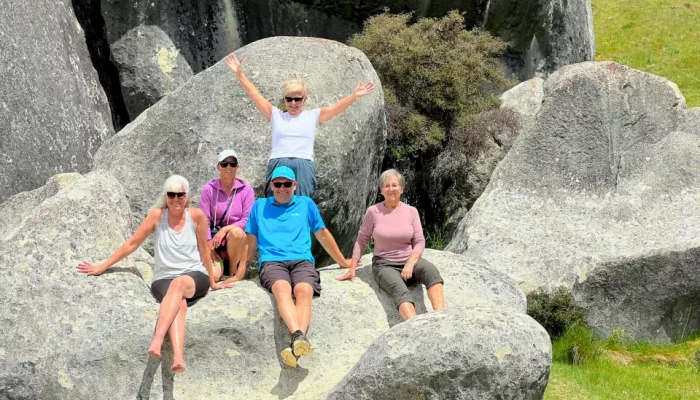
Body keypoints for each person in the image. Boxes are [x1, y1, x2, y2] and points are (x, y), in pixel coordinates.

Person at [77, 175, 232, 373]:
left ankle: (157, 341)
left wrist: (213, 281)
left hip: (194, 275)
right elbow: (132, 244)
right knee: (179, 303)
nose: (176, 199)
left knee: (179, 285)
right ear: (165, 196)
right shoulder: (156, 216)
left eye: (180, 195)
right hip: (163, 278)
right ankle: (178, 358)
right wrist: (102, 266)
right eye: (171, 194)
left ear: (187, 196)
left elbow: (204, 251)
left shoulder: (196, 216)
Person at [224, 53, 375, 198]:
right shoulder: (276, 115)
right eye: (289, 99)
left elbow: (336, 108)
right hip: (278, 162)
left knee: (302, 204)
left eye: (297, 99)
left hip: (303, 164)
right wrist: (239, 75)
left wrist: (353, 96)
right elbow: (255, 95)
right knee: (275, 205)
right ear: (284, 100)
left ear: (304, 100)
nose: (293, 103)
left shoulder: (313, 116)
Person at [245, 166, 349, 368]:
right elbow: (250, 241)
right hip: (272, 260)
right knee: (282, 289)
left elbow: (322, 234)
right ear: (271, 186)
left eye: (287, 184)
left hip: (302, 259)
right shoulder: (259, 206)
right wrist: (239, 272)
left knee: (304, 290)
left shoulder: (306, 204)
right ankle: (299, 336)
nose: (282, 188)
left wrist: (342, 261)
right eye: (278, 184)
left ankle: (296, 342)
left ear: (295, 185)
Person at [338, 169, 445, 320]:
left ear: (401, 188)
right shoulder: (373, 212)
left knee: (431, 271)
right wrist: (352, 268)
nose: (391, 189)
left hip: (409, 260)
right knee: (400, 290)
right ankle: (416, 326)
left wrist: (410, 263)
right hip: (384, 265)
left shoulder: (411, 211)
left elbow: (419, 241)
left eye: (395, 185)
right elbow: (362, 240)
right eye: (387, 186)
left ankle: (441, 316)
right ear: (381, 190)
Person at [199, 149, 255, 283]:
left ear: (238, 167)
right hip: (214, 240)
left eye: (232, 164)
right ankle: (220, 265)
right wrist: (208, 244)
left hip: (235, 239)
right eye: (224, 164)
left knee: (237, 233)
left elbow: (247, 220)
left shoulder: (246, 190)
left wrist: (225, 230)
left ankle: (232, 270)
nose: (228, 167)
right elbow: (203, 219)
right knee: (214, 276)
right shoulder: (209, 189)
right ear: (218, 167)